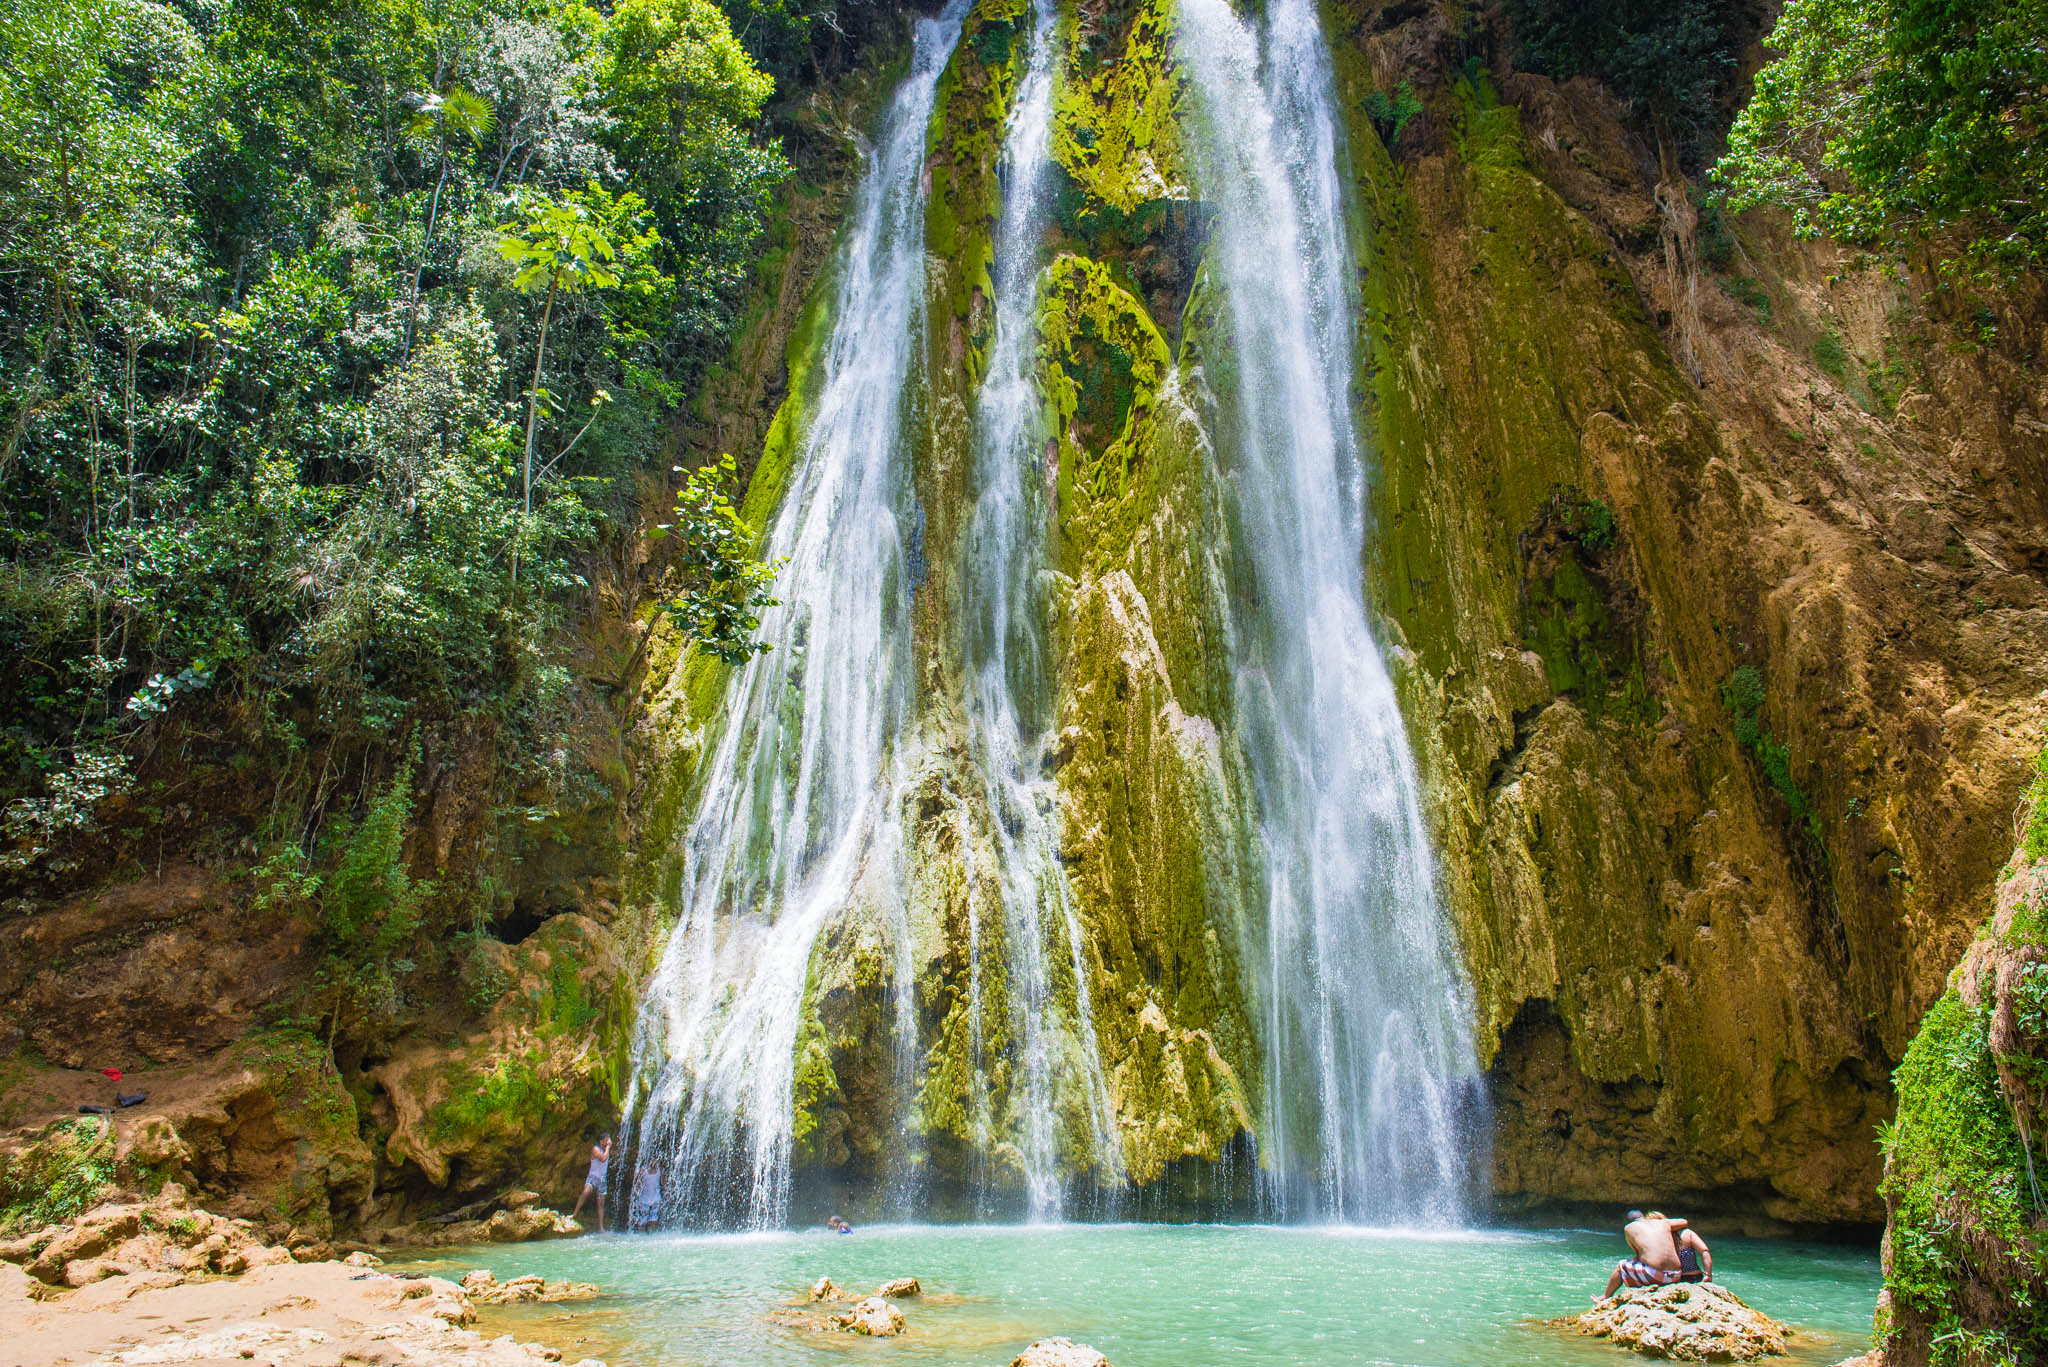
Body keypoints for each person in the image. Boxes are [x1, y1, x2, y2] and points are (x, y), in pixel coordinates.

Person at [1600, 1209, 1692, 1300]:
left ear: (1628, 1221)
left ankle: (1605, 1296)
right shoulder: (1662, 1223)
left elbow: (1638, 1254)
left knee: (1621, 1266)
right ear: (1643, 1217)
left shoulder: (1629, 1227)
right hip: (1675, 1276)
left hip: (1657, 1277)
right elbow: (1684, 1221)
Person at [569, 1134, 612, 1232]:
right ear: (601, 1142)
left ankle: (600, 1228)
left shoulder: (605, 1150)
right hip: (593, 1177)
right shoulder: (595, 1149)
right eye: (607, 1140)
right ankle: (574, 1214)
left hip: (602, 1179)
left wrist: (608, 1148)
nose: (609, 1142)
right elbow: (603, 1159)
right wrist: (608, 1148)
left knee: (601, 1203)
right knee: (585, 1192)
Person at [630, 1164, 661, 1231]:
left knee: (653, 1220)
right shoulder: (643, 1170)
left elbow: (663, 1182)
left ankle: (651, 1236)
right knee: (642, 1220)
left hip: (655, 1199)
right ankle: (641, 1235)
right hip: (644, 1199)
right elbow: (638, 1183)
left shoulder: (659, 1170)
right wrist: (636, 1192)